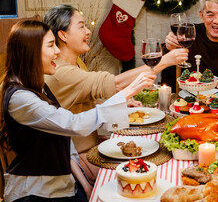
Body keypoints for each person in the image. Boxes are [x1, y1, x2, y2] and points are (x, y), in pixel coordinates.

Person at [0, 20, 156, 202]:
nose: (57, 51)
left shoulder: (37, 86)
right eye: (51, 46)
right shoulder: (20, 98)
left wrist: (85, 186)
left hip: (64, 186)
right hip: (36, 193)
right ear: (30, 52)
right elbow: (74, 124)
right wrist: (125, 93)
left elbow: (65, 140)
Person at [43, 4, 187, 189]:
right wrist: (164, 61)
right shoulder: (61, 72)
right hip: (78, 156)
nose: (88, 31)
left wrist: (116, 102)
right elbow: (116, 83)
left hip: (92, 144)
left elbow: (81, 100)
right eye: (81, 26)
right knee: (147, 171)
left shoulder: (76, 62)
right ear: (63, 35)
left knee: (155, 149)